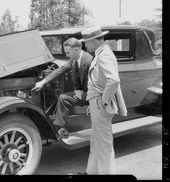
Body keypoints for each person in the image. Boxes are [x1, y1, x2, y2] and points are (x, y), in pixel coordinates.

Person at [78, 26, 127, 175]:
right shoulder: (101, 52)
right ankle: (91, 172)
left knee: (104, 144)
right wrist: (93, 102)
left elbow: (113, 81)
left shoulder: (104, 55)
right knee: (96, 140)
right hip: (97, 104)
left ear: (93, 41)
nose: (85, 46)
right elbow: (98, 82)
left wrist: (103, 100)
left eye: (86, 42)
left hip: (101, 105)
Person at [32, 37, 93, 138]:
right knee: (63, 98)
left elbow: (97, 85)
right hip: (81, 93)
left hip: (92, 95)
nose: (66, 55)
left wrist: (92, 103)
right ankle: (62, 129)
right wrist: (43, 82)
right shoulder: (74, 60)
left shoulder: (89, 61)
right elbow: (61, 69)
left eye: (68, 52)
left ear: (76, 50)